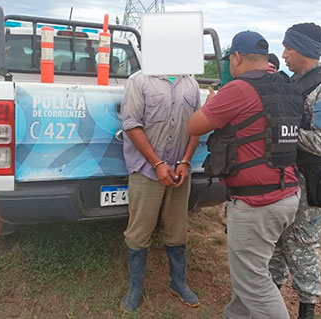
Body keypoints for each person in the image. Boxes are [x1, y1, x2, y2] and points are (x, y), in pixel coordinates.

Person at [188, 30, 303, 319]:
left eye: (229, 61)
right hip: (286, 193)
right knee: (251, 271)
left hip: (257, 203)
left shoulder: (238, 90)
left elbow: (194, 126)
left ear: (236, 58)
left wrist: (209, 104)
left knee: (254, 282)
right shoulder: (285, 87)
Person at [268, 22, 321, 319]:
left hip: (307, 182)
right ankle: (271, 303)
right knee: (276, 242)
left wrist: (283, 132)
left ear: (303, 49)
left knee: (302, 248)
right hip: (284, 179)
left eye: (288, 47)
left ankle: (306, 309)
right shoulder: (294, 81)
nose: (284, 53)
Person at [120, 70, 201, 312]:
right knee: (138, 232)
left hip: (179, 172)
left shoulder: (191, 84)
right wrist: (157, 163)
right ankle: (135, 288)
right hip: (146, 170)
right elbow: (131, 125)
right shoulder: (139, 81)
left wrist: (186, 161)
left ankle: (178, 282)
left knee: (177, 230)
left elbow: (196, 126)